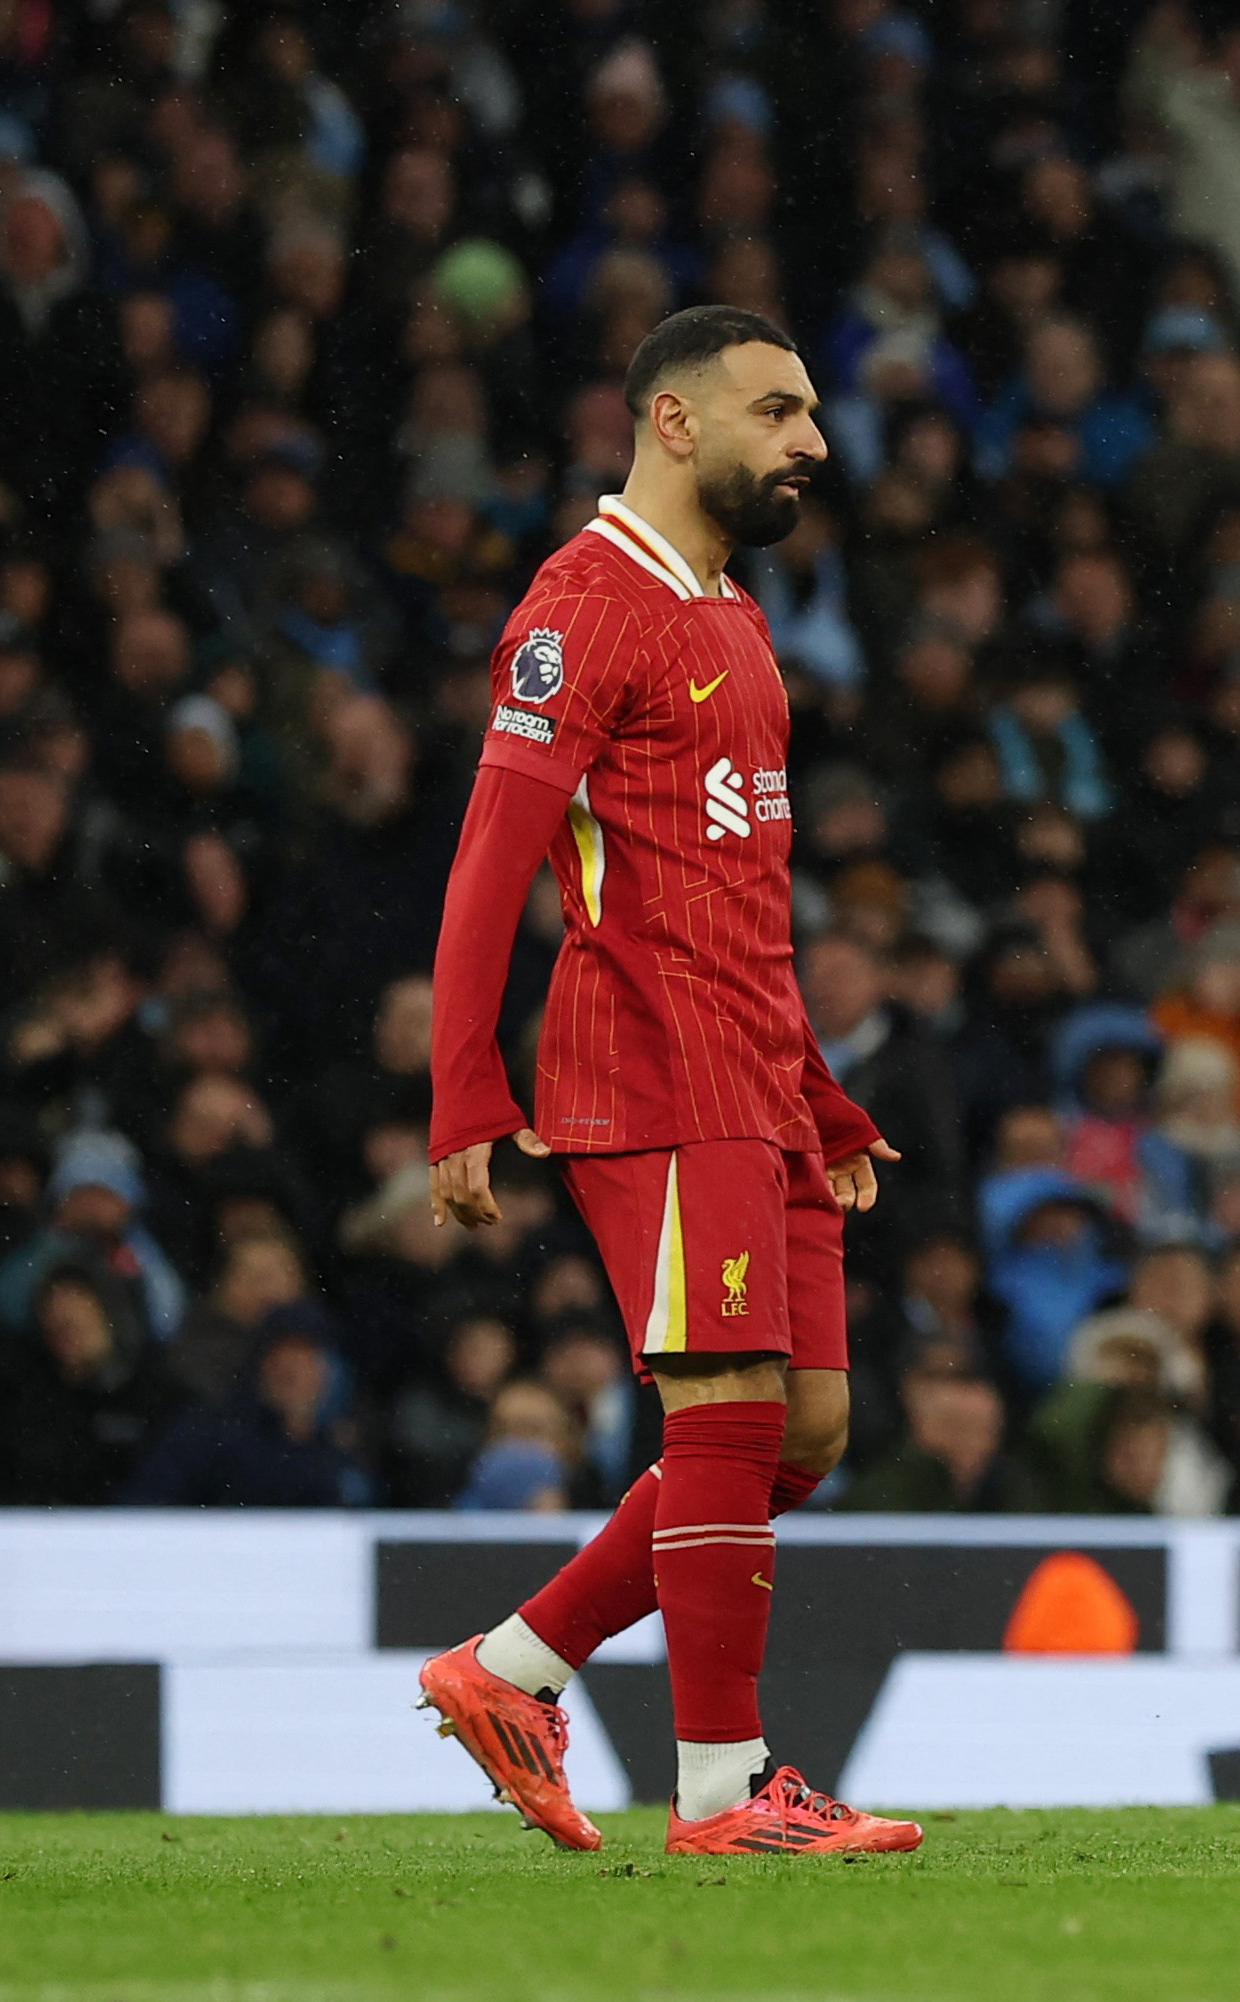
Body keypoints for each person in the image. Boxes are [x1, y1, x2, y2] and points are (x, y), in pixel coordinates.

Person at [412, 307, 917, 1860]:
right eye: (780, 411)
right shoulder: (581, 605)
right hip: (649, 1063)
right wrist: (461, 1089)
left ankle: (509, 1670)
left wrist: (818, 1089)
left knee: (807, 1429)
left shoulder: (733, 613)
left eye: (813, 413)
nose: (815, 443)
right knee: (721, 1410)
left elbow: (740, 891)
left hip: (757, 1068)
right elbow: (493, 860)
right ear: (675, 421)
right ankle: (723, 1785)